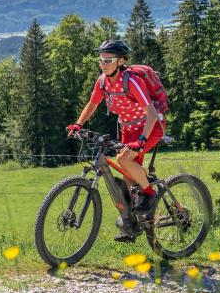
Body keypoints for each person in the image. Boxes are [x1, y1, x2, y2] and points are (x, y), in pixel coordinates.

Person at [66, 40, 164, 242]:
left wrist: (142, 139)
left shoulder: (131, 81)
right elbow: (92, 105)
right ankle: (131, 225)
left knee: (124, 159)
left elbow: (152, 112)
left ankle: (149, 192)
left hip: (150, 126)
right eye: (100, 59)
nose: (103, 63)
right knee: (126, 181)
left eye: (108, 60)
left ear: (120, 61)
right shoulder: (102, 81)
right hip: (129, 128)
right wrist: (78, 124)